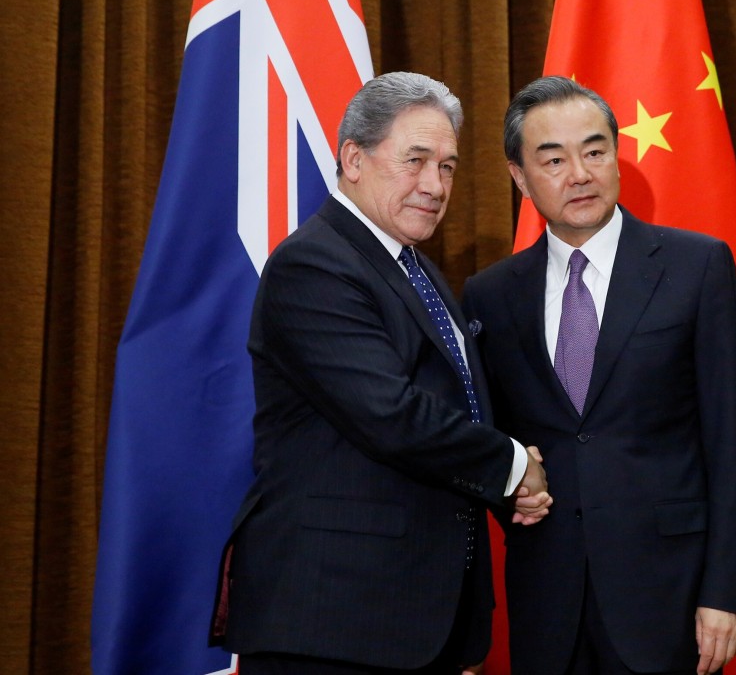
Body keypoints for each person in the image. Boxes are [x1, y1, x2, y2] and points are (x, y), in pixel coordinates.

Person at [210, 71, 551, 675]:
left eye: (447, 166)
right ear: (353, 158)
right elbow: (390, 414)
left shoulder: (415, 269)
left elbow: (460, 403)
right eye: (415, 160)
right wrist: (512, 467)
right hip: (334, 621)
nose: (434, 184)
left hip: (414, 618)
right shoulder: (314, 264)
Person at [461, 76, 736, 675]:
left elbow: (733, 443)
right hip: (547, 602)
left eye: (595, 151)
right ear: (520, 178)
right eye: (553, 158)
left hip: (670, 601)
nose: (579, 173)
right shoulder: (489, 295)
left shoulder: (695, 267)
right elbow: (493, 441)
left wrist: (726, 592)